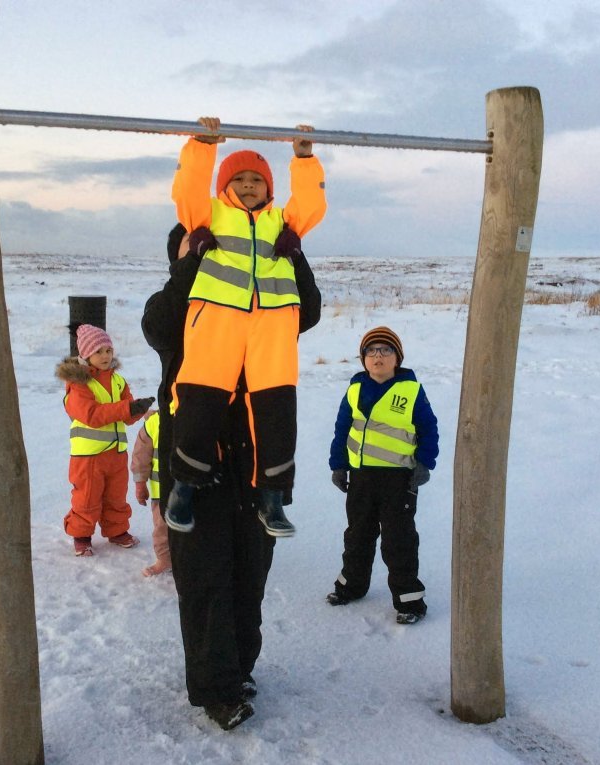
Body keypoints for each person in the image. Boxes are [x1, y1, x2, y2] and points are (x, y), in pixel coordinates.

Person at [143, 222, 320, 729]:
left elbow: (307, 313)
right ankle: (216, 689)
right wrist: (191, 266)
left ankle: (240, 668)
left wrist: (294, 260)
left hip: (254, 462)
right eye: (196, 244)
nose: (213, 249)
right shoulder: (178, 305)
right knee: (204, 576)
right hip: (192, 465)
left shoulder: (261, 305)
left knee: (249, 570)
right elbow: (158, 328)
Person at [164, 116, 327, 538]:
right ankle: (183, 487)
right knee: (199, 399)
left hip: (273, 322)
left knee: (276, 409)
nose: (249, 185)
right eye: (240, 179)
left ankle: (273, 499)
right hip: (217, 318)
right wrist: (203, 145)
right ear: (224, 186)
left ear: (270, 189)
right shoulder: (211, 214)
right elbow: (187, 190)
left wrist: (303, 158)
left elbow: (311, 205)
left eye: (257, 180)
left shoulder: (282, 222)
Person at [327, 327, 439, 625]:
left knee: (398, 539)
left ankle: (409, 600)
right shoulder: (354, 390)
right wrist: (338, 465)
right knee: (357, 535)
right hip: (361, 478)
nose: (378, 356)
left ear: (397, 358)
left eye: (386, 350)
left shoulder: (411, 391)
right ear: (363, 358)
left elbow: (429, 429)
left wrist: (424, 463)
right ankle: (350, 586)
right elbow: (342, 429)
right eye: (371, 351)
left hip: (398, 481)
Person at [56, 323, 154, 556]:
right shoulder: (79, 384)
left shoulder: (118, 381)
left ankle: (117, 531)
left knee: (116, 496)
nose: (105, 356)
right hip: (89, 456)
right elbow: (92, 415)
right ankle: (81, 535)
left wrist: (139, 409)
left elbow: (126, 415)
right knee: (87, 497)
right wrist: (127, 408)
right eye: (98, 351)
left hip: (116, 453)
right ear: (85, 354)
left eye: (108, 350)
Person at [130, 409, 172, 577]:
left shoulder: (196, 414)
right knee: (162, 529)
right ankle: (165, 560)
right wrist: (140, 484)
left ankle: (190, 560)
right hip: (161, 492)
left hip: (192, 491)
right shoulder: (154, 422)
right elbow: (140, 457)